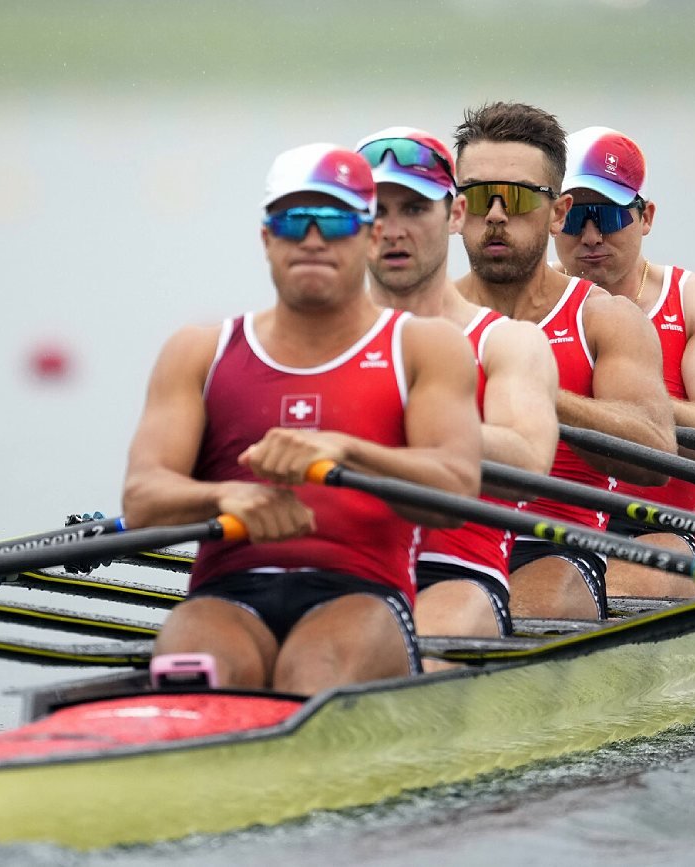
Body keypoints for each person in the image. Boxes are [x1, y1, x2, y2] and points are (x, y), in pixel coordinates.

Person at [121, 143, 482, 694]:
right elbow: (143, 498)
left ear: (368, 237)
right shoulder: (199, 351)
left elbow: (456, 491)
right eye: (294, 220)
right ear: (268, 237)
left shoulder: (424, 348)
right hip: (228, 593)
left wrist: (347, 451)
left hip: (363, 595)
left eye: (335, 220)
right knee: (197, 667)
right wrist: (221, 498)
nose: (313, 238)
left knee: (310, 675)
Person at [451, 102, 677, 621]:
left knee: (531, 600)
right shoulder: (422, 322)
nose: (497, 215)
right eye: (480, 196)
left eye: (520, 198)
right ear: (456, 209)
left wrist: (540, 398)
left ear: (557, 213)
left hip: (553, 547)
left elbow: (656, 456)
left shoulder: (605, 319)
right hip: (442, 542)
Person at [356, 126, 559, 651]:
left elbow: (526, 464)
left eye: (414, 209)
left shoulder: (507, 342)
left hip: (454, 576)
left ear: (454, 216)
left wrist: (398, 420)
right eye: (376, 210)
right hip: (343, 573)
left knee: (393, 648)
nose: (392, 229)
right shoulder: (311, 340)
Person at [553, 126, 695, 598]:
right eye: (573, 217)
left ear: (645, 216)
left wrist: (631, 406)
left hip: (654, 535)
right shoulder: (521, 305)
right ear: (550, 219)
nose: (590, 235)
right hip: (546, 533)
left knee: (652, 561)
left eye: (606, 214)